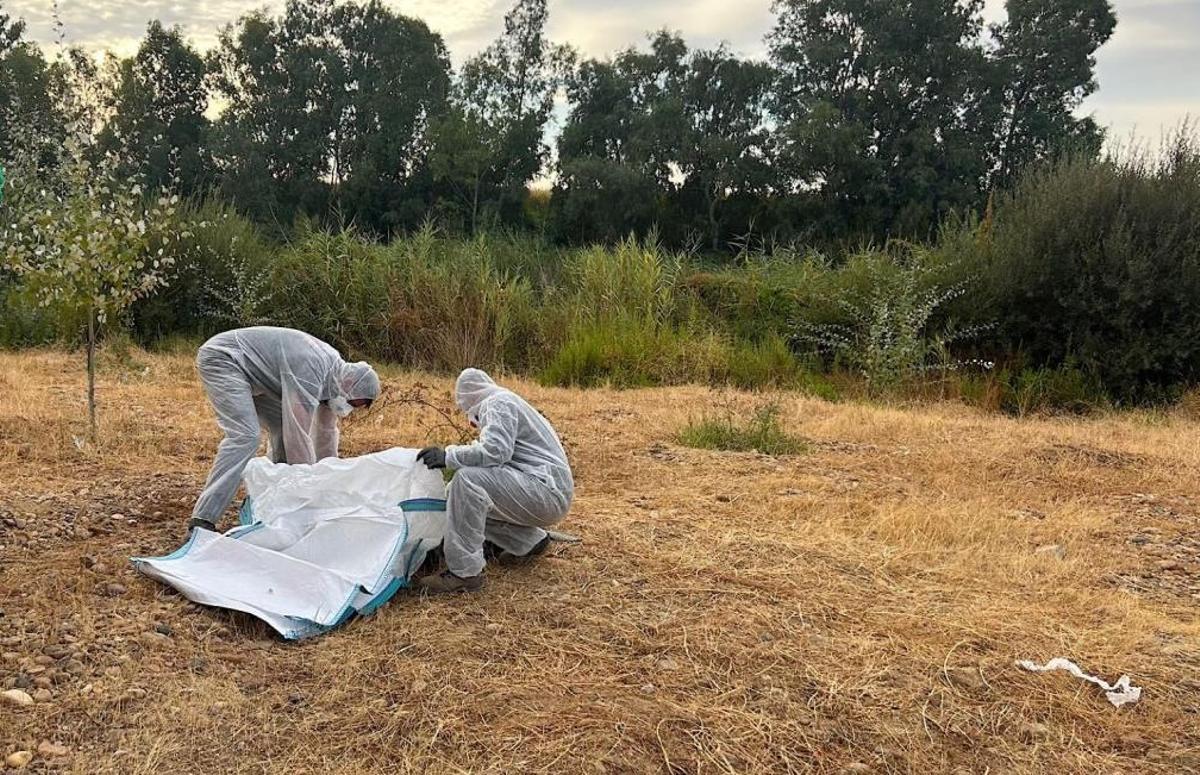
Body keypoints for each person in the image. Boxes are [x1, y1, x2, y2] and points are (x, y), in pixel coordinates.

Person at [189, 326, 380, 533]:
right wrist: (309, 490)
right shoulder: (313, 369)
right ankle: (203, 518)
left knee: (281, 424)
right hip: (225, 359)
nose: (347, 408)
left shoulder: (334, 382)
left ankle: (276, 499)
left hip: (255, 375)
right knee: (246, 436)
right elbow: (297, 435)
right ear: (349, 383)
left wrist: (329, 482)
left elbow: (326, 434)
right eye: (351, 403)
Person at [415, 368, 574, 594]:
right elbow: (497, 454)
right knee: (458, 497)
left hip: (545, 492)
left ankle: (464, 574)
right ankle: (529, 540)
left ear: (470, 400)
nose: (472, 422)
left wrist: (448, 456)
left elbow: (495, 451)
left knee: (467, 481)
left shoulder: (497, 403)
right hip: (547, 492)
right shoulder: (505, 402)